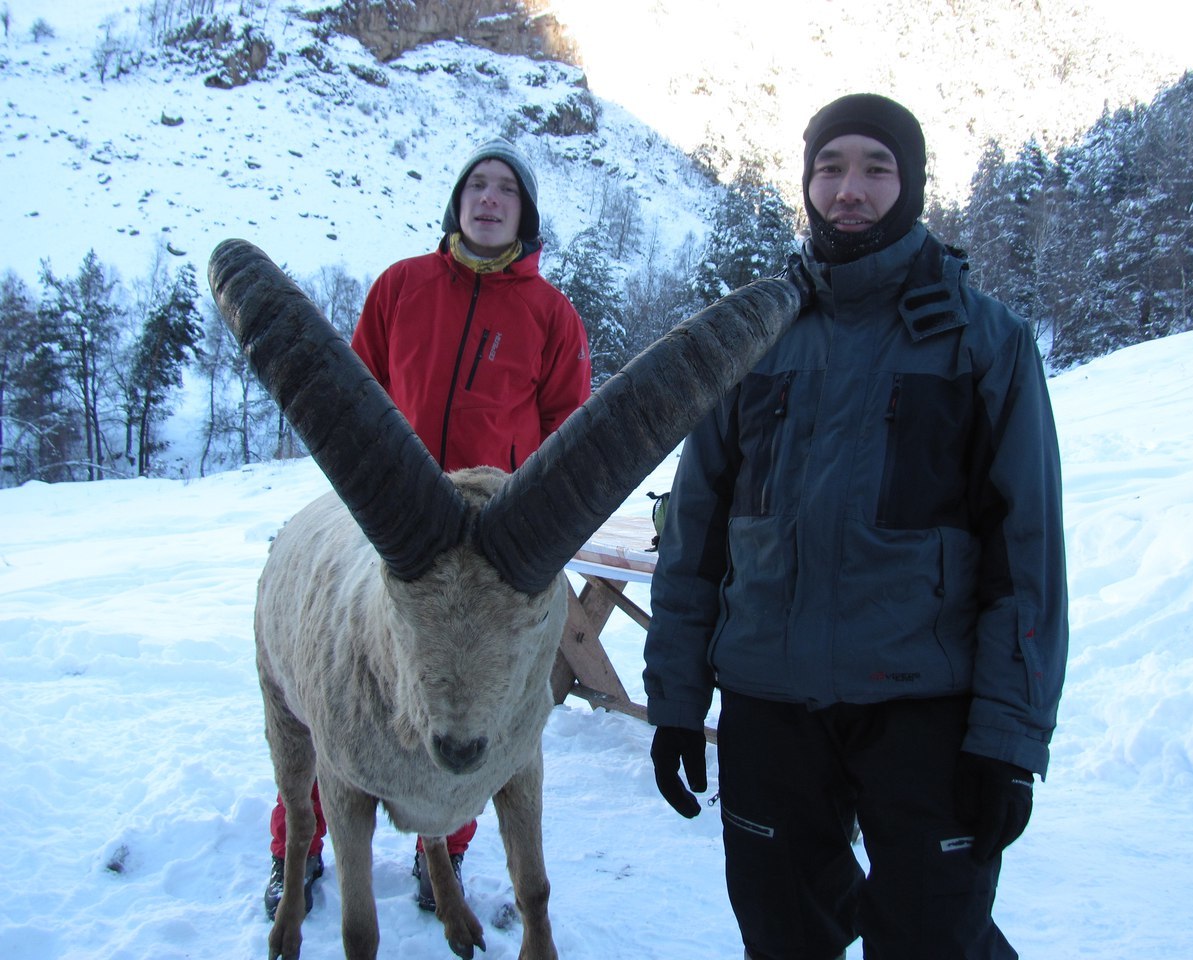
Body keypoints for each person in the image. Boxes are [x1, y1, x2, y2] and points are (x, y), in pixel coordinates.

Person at [642, 93, 1068, 960]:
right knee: (784, 935)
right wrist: (678, 702)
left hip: (924, 714)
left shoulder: (984, 343)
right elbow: (695, 537)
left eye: (877, 168)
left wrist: (1010, 739)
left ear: (909, 185)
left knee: (933, 939)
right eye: (830, 168)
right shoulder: (751, 335)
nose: (850, 188)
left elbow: (1027, 558)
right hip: (770, 709)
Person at [263, 136, 592, 920]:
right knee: (334, 692)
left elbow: (568, 429)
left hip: (493, 545)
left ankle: (440, 853)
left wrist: (523, 520)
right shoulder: (402, 287)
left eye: (505, 189)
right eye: (476, 185)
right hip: (400, 538)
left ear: (524, 212)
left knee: (470, 712)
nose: (488, 198)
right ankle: (295, 850)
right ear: (457, 203)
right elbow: (352, 394)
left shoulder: (551, 314)